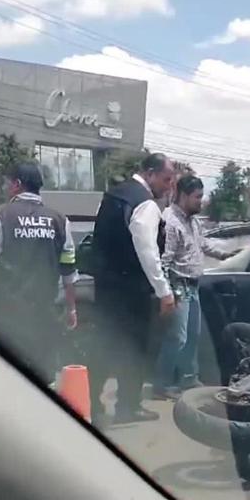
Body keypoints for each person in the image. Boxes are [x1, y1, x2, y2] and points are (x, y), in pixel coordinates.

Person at [91, 152, 175, 425]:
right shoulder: (145, 204)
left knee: (104, 344)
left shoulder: (114, 195)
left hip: (106, 285)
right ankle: (128, 405)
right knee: (135, 347)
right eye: (166, 179)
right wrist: (163, 290)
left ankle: (93, 404)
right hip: (131, 288)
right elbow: (147, 251)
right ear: (149, 174)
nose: (169, 185)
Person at [0, 162, 77, 384]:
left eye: (9, 182)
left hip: (8, 314)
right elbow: (69, 270)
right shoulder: (60, 220)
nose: (7, 187)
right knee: (44, 376)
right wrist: (72, 308)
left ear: (17, 185)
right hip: (45, 312)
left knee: (5, 378)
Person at [154, 174, 237, 398]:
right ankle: (161, 385)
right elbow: (164, 260)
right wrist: (166, 292)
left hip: (192, 286)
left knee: (192, 336)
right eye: (197, 197)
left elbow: (202, 245)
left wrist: (226, 254)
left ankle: (188, 380)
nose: (201, 201)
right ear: (182, 195)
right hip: (178, 285)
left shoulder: (193, 220)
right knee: (177, 337)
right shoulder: (170, 221)